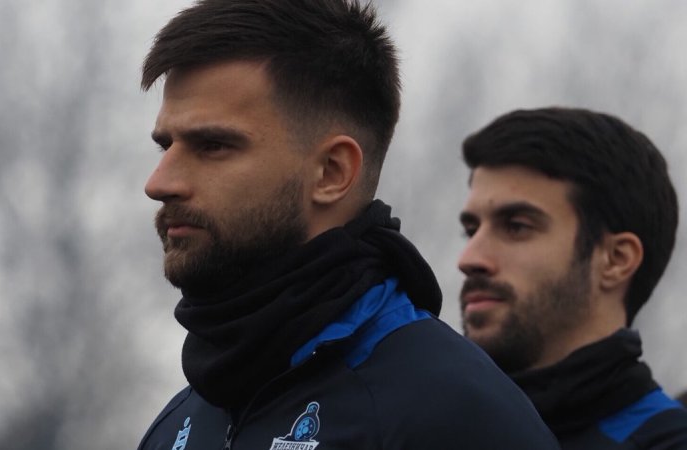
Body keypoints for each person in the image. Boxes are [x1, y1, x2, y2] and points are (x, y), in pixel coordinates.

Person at [136, 1, 559, 449]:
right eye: (166, 146)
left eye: (212, 145)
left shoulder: (452, 414)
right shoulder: (178, 424)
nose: (159, 183)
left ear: (332, 172)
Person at [457, 107, 687, 449]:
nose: (469, 259)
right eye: (471, 230)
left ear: (616, 260)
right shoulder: (416, 428)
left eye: (516, 226)